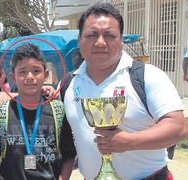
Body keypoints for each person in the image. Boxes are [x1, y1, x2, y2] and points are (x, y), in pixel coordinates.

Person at [62, 2, 188, 180]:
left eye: (109, 35)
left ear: (121, 40)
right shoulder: (69, 84)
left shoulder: (147, 76)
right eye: (91, 35)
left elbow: (178, 128)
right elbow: (66, 139)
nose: (100, 42)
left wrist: (129, 142)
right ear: (79, 39)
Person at [0, 43, 76, 180]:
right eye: (22, 72)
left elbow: (69, 156)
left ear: (45, 75)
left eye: (36, 71)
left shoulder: (59, 112)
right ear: (13, 77)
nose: (30, 76)